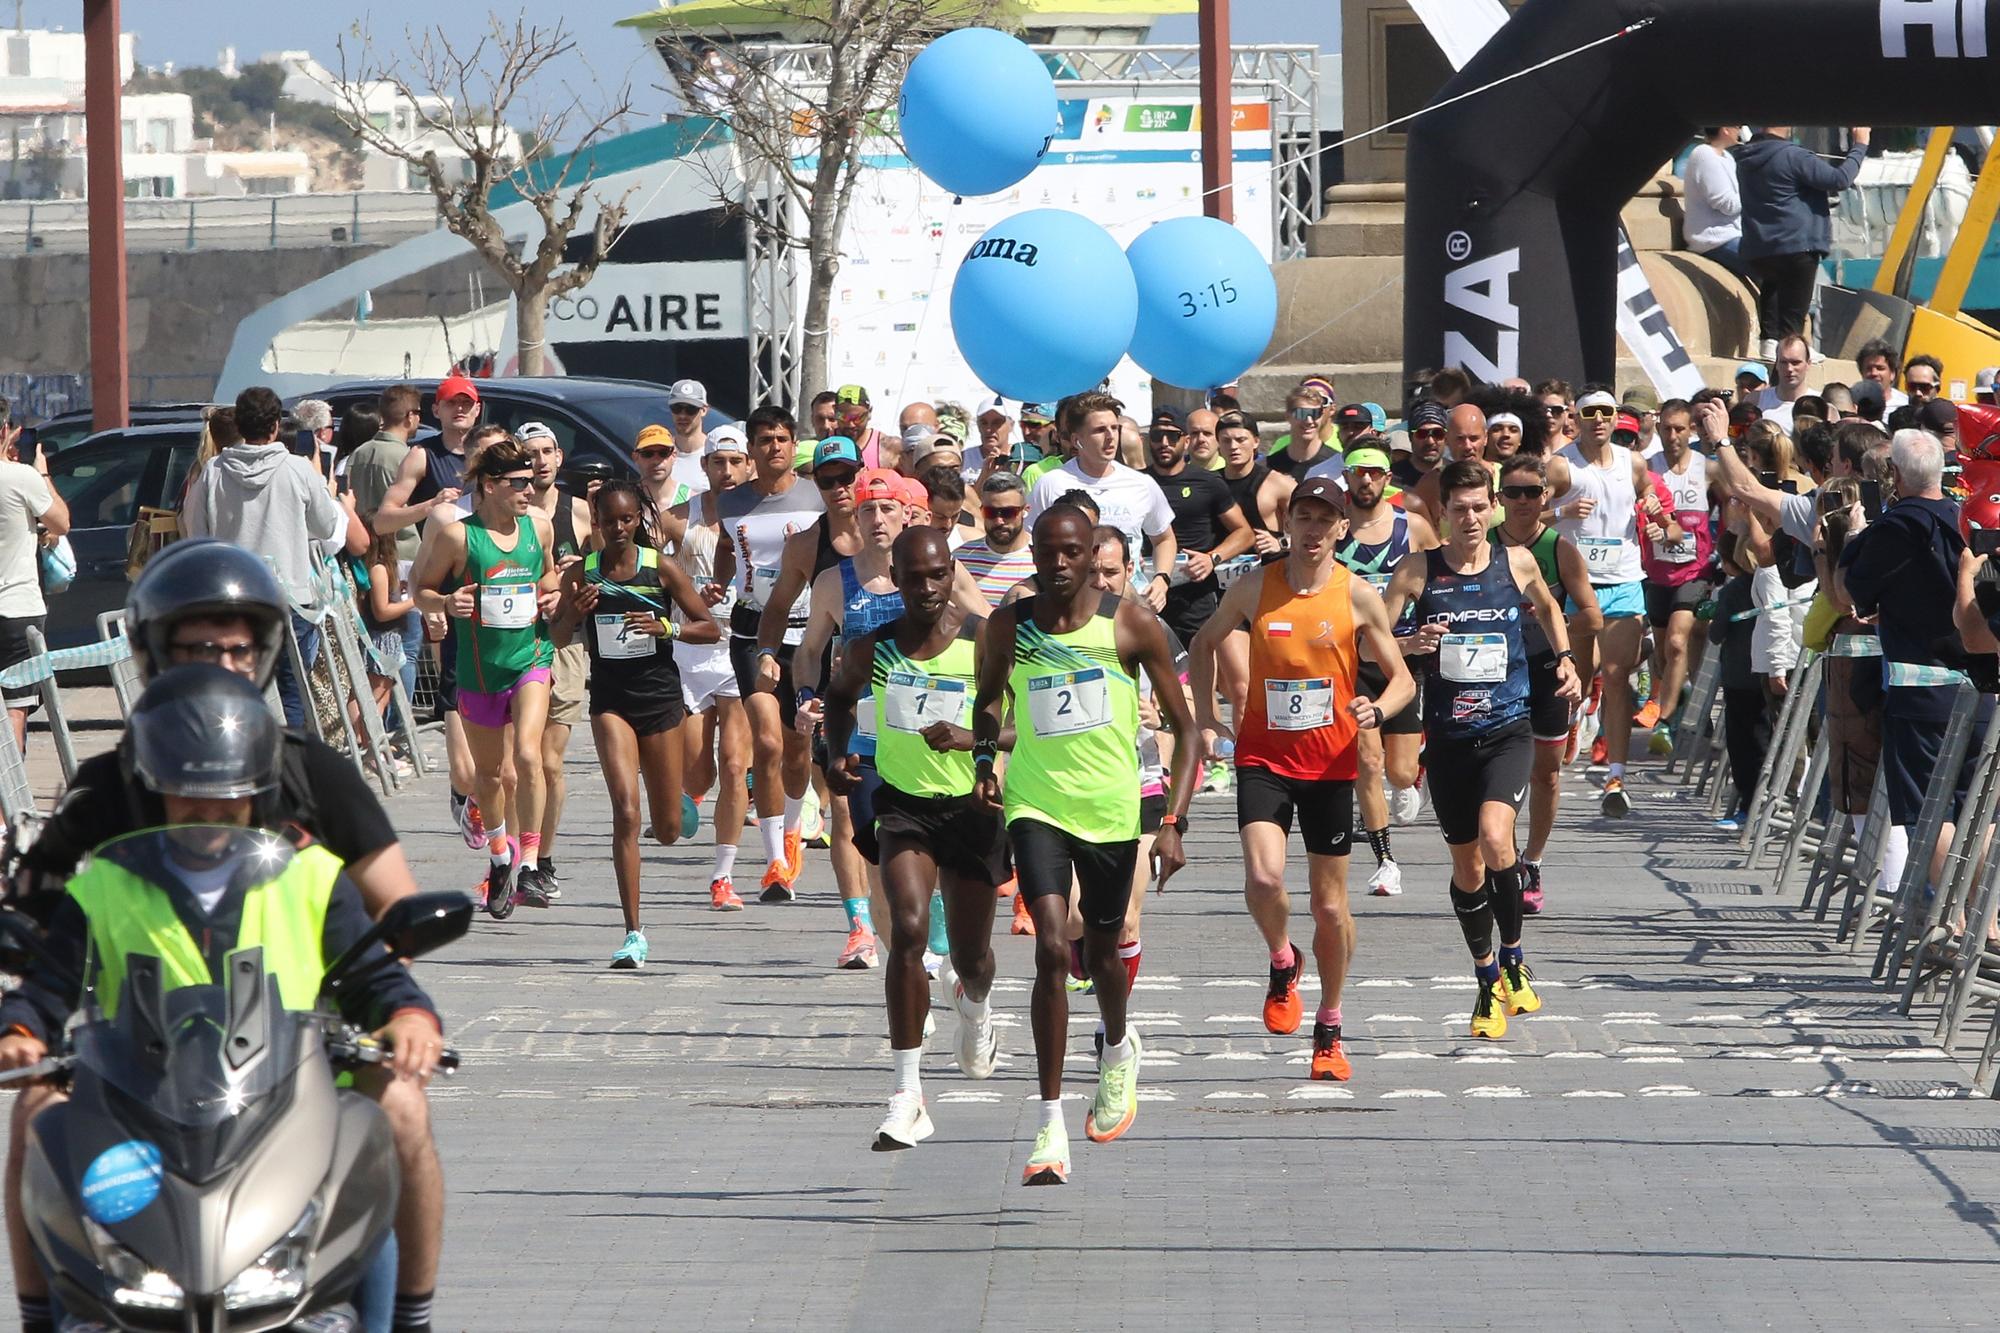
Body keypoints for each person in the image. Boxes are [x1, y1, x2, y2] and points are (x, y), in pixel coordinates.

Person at [3, 647, 441, 1333]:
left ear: (258, 788)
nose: (208, 806)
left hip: (288, 1103)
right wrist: (22, 1029)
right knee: (44, 1125)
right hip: (137, 1113)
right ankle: (51, 1315)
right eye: (186, 789)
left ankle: (397, 1323)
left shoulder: (312, 876)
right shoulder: (106, 886)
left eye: (228, 792)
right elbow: (52, 982)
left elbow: (373, 974)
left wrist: (407, 1015)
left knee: (368, 1143)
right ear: (153, 787)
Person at [972, 505, 1197, 1185]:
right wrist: (985, 760)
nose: (1061, 563)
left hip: (1110, 811)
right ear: (1034, 554)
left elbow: (1188, 731)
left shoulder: (1128, 621)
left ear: (1090, 552)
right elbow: (988, 701)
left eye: (1073, 552)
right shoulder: (1011, 624)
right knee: (1048, 945)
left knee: (1101, 950)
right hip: (1038, 806)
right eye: (1050, 552)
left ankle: (1119, 1046)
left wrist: (1173, 823)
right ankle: (1048, 1124)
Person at [1191, 476, 1414, 1081]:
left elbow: (1401, 679)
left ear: (1342, 528)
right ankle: (1282, 960)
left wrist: (1379, 709)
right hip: (1264, 757)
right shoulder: (1254, 586)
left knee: (1329, 906)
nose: (1313, 530)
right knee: (1264, 879)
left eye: (1325, 520)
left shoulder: (1358, 594)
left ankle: (1331, 1024)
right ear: (1287, 523)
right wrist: (1207, 716)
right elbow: (1204, 641)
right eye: (1303, 518)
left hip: (1331, 764)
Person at [824, 526, 1009, 1149]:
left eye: (937, 575)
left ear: (952, 570)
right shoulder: (873, 647)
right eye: (914, 577)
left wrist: (975, 748)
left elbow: (1026, 727)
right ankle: (907, 1094)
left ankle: (977, 1008)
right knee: (905, 930)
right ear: (895, 578)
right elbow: (840, 700)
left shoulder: (984, 641)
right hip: (903, 808)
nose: (926, 588)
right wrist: (837, 754)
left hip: (972, 813)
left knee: (971, 958)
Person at [1382, 461, 1581, 1039]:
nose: (1470, 519)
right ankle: (1485, 976)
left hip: (1507, 730)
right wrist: (1408, 642)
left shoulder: (1515, 561)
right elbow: (1370, 648)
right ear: (1442, 511)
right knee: (1467, 867)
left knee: (1499, 838)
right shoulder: (1417, 571)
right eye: (1459, 508)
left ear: (1493, 507)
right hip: (1446, 739)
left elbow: (1549, 608)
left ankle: (1515, 959)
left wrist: (1564, 662)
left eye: (1478, 507)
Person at [552, 480, 719, 967]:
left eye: (627, 520)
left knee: (666, 829)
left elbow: (710, 627)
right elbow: (557, 633)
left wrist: (667, 627)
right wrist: (575, 615)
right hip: (610, 702)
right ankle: (633, 933)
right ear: (597, 522)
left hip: (659, 699)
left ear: (638, 521)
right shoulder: (582, 574)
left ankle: (679, 806)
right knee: (626, 812)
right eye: (610, 521)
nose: (619, 529)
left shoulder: (659, 568)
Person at [412, 434, 560, 913]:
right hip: (479, 669)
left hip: (530, 657)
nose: (529, 491)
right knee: (489, 776)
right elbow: (422, 590)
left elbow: (549, 577)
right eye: (519, 483)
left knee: (528, 755)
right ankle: (501, 857)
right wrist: (445, 602)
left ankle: (533, 864)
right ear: (492, 485)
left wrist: (552, 595)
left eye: (531, 482)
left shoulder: (538, 529)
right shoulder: (460, 536)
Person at [181, 384, 362, 730]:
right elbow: (326, 525)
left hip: (232, 602)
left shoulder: (214, 472)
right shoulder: (297, 469)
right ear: (275, 426)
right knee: (293, 693)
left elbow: (196, 534)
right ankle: (287, 771)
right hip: (290, 599)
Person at [1839, 429, 1966, 912]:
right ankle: (1985, 921)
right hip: (1977, 690)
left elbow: (1851, 592)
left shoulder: (1898, 527)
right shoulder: (1966, 520)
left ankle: (1954, 919)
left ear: (1894, 474)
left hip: (1921, 694)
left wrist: (1854, 534)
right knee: (1978, 807)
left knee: (1933, 809)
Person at [790, 469, 906, 970]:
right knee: (854, 825)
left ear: (907, 515)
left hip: (925, 732)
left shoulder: (933, 570)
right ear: (855, 517)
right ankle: (864, 929)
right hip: (857, 728)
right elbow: (810, 649)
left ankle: (928, 916)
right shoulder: (835, 582)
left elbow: (983, 633)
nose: (877, 520)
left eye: (886, 509)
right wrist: (806, 695)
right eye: (867, 510)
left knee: (924, 838)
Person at [1546, 386, 1679, 817]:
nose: (1599, 420)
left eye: (1607, 412)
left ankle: (1616, 776)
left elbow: (1669, 525)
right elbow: (1523, 516)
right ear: (1577, 418)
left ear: (1616, 416)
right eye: (1590, 413)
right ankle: (1567, 726)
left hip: (1623, 580)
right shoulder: (1563, 466)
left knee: (1618, 677)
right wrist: (1562, 515)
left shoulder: (1633, 462)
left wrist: (1659, 525)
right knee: (1577, 684)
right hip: (1578, 586)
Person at [713, 409, 826, 901]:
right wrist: (721, 578)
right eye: (764, 440)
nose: (774, 447)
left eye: (782, 438)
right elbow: (725, 545)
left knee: (799, 750)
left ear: (793, 443)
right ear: (751, 449)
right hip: (751, 627)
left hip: (809, 630)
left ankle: (795, 828)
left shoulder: (816, 496)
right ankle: (775, 861)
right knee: (768, 743)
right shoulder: (731, 500)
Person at [373, 376, 483, 844]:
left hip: (494, 592)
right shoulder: (424, 455)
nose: (459, 411)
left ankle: (483, 794)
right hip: (441, 587)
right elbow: (382, 518)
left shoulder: (495, 455)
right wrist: (429, 505)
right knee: (457, 695)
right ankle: (467, 791)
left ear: (478, 410)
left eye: (467, 404)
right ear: (435, 411)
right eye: (450, 404)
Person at [1492, 454, 1600, 912]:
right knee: (1496, 773)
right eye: (1512, 493)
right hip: (1493, 673)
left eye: (1531, 492)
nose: (1522, 501)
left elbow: (1593, 614)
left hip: (1545, 671)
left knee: (1546, 774)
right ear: (1499, 498)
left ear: (1546, 496)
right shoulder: (1483, 544)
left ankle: (1531, 860)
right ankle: (1501, 859)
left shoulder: (1558, 549)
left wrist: (1556, 623)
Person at [1329, 445, 1437, 895]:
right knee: (1367, 762)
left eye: (1374, 473)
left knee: (1398, 771)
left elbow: (1440, 575)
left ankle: (1420, 769)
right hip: (1349, 658)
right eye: (1358, 473)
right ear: (1347, 477)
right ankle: (1385, 860)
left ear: (1387, 477)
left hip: (1401, 660)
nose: (1366, 481)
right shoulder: (1333, 528)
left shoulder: (1409, 526)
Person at [679, 424, 755, 909]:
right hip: (688, 650)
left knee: (733, 765)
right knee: (696, 773)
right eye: (717, 462)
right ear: (704, 467)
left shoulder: (763, 516)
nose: (726, 472)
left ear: (748, 465)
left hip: (738, 647)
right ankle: (686, 796)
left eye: (734, 462)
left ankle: (722, 876)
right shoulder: (677, 518)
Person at [524, 421, 596, 901]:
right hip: (517, 642)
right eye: (531, 453)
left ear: (560, 457)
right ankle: (515, 854)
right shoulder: (508, 512)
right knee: (518, 760)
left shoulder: (581, 511)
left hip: (567, 644)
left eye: (548, 451)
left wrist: (579, 572)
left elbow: (607, 563)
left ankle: (542, 859)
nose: (541, 461)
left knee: (549, 761)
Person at [1024, 392, 1179, 612]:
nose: (1110, 437)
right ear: (1077, 439)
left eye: (1115, 428)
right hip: (1072, 604)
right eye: (1099, 430)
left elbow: (1164, 538)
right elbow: (1030, 542)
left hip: (1129, 603)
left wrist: (1162, 580)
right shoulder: (1051, 483)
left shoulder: (1141, 484)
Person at [1737, 125, 1870, 356]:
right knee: (1792, 323)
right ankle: (1792, 358)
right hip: (1798, 246)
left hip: (1760, 247)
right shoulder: (1792, 155)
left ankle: (1769, 341)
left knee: (1772, 290)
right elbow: (1839, 179)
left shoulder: (1745, 157)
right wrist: (1860, 146)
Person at [1144, 405, 1254, 651]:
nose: (1164, 443)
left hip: (1195, 594)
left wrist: (1212, 558)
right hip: (1149, 592)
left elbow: (1244, 533)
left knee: (1201, 671)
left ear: (1186, 440)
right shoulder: (1136, 482)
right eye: (1156, 436)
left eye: (1172, 436)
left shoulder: (1208, 482)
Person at [1643, 399, 1716, 754]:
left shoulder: (1707, 469)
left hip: (1696, 570)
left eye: (1680, 429)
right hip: (1656, 572)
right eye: (1667, 428)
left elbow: (1737, 500)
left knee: (1677, 642)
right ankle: (1686, 694)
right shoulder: (1645, 469)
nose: (1673, 436)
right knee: (1663, 657)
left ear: (1692, 431)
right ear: (1657, 429)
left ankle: (1666, 723)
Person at [349, 385, 426, 710]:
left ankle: (380, 724)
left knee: (377, 648)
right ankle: (399, 724)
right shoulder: (404, 456)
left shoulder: (360, 452)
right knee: (405, 648)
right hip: (402, 554)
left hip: (365, 554)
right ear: (410, 416)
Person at [0, 423, 65, 751]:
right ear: (5, 432)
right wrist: (42, 474)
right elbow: (62, 522)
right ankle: (5, 799)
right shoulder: (21, 477)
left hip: (16, 608)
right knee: (15, 707)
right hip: (16, 609)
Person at [1707, 545, 1768, 829]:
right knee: (1767, 738)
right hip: (1770, 674)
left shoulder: (1733, 591)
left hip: (1739, 677)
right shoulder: (1775, 581)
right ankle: (1767, 802)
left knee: (1743, 744)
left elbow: (1716, 634)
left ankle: (1748, 807)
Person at [956, 472, 1037, 607]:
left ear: (1025, 510)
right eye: (991, 513)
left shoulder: (1041, 557)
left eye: (1008, 513)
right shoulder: (961, 559)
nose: (999, 521)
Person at [1683, 125, 1745, 273]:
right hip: (1714, 240)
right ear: (1725, 129)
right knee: (1771, 266)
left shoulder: (1727, 157)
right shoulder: (1704, 155)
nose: (1740, 131)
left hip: (1733, 235)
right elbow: (1726, 204)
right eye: (1738, 126)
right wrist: (1755, 193)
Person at [1268, 381, 1339, 480]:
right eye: (1301, 414)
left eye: (1315, 414)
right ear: (1288, 416)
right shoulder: (1270, 466)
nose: (1309, 421)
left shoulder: (1336, 463)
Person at [1755, 334, 1815, 434]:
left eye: (1795, 362)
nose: (1789, 369)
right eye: (1783, 362)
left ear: (1808, 364)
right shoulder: (1756, 400)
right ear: (1776, 364)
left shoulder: (1822, 405)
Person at [833, 384, 895, 469]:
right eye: (844, 417)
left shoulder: (887, 447)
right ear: (835, 412)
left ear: (869, 413)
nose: (851, 424)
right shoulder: (824, 443)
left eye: (858, 418)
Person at [1856, 339, 1909, 412]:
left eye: (1880, 368)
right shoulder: (1851, 403)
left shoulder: (1905, 405)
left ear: (1892, 373)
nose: (1874, 373)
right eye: (1868, 368)